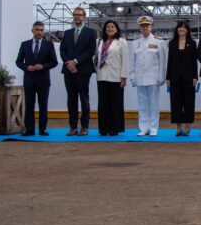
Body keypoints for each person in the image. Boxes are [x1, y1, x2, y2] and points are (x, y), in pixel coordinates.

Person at [15, 21, 58, 136]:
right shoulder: (25, 44)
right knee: (29, 105)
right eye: (37, 30)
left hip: (43, 80)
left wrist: (43, 66)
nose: (39, 32)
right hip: (29, 80)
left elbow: (54, 62)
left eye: (41, 30)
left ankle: (43, 129)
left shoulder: (49, 45)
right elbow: (18, 61)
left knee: (43, 105)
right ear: (32, 30)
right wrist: (26, 67)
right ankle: (29, 130)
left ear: (43, 31)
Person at [59, 7, 97, 136]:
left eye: (79, 15)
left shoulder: (91, 32)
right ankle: (73, 127)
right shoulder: (67, 33)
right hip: (68, 70)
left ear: (84, 17)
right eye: (75, 14)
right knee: (71, 99)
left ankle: (84, 127)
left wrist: (75, 61)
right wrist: (69, 63)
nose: (77, 17)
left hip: (83, 70)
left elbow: (91, 51)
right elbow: (62, 50)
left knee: (84, 98)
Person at [129, 16, 167, 137]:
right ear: (139, 28)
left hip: (154, 78)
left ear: (151, 27)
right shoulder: (135, 42)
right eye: (142, 26)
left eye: (147, 25)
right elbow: (132, 62)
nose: (145, 28)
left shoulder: (158, 41)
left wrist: (161, 77)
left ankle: (153, 128)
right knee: (142, 105)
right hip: (140, 78)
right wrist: (132, 77)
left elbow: (163, 61)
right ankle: (144, 128)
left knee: (154, 104)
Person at [95, 20, 129, 136]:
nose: (110, 28)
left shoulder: (121, 42)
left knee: (116, 103)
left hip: (116, 76)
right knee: (103, 103)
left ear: (116, 29)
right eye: (108, 27)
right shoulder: (99, 41)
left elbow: (125, 60)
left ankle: (115, 128)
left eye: (112, 27)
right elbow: (96, 57)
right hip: (101, 76)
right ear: (105, 29)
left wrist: (124, 77)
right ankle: (104, 128)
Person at [166, 21, 198, 136]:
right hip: (174, 78)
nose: (182, 29)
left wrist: (195, 76)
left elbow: (194, 61)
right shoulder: (171, 43)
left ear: (187, 30)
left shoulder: (192, 43)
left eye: (184, 27)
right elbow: (169, 61)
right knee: (176, 104)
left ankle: (188, 127)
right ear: (177, 29)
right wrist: (168, 77)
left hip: (189, 78)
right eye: (180, 27)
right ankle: (178, 128)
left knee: (189, 103)